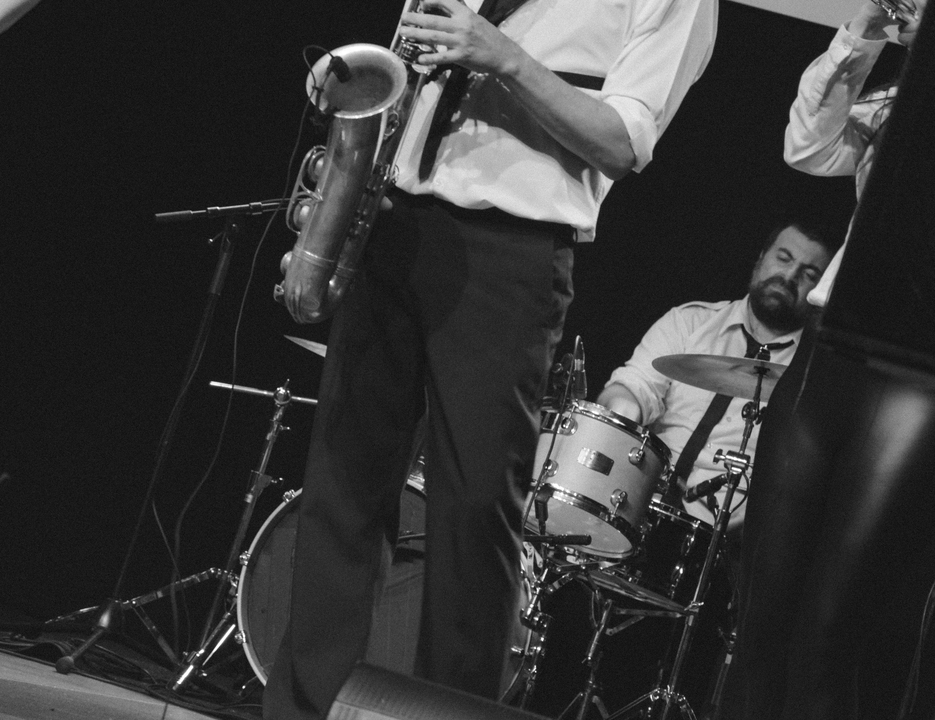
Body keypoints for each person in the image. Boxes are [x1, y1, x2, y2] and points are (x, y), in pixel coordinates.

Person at [264, 2, 717, 719]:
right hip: (394, 221)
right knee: (340, 487)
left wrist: (502, 55)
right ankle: (301, 710)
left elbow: (622, 142)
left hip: (510, 254)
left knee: (472, 515)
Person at [723, 3, 935, 718]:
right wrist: (864, 34)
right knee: (759, 620)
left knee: (829, 633)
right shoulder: (899, 91)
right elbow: (807, 147)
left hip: (920, 365)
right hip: (830, 341)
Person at [597, 221, 836, 532]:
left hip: (723, 538)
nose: (789, 277)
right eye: (784, 258)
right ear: (760, 258)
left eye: (809, 275)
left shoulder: (814, 374)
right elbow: (634, 387)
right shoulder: (688, 322)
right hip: (635, 505)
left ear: (820, 294)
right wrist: (622, 418)